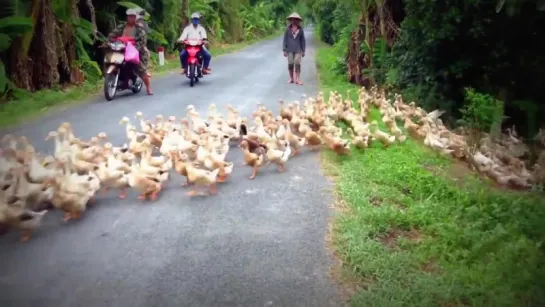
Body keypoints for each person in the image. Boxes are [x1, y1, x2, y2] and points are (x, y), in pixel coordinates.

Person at [108, 8, 153, 95]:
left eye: (133, 17)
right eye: (129, 16)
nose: (131, 18)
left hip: (135, 51)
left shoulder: (139, 28)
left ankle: (148, 87)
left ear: (135, 17)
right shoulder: (122, 26)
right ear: (127, 17)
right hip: (121, 49)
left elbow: (142, 42)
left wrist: (135, 48)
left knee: (141, 68)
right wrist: (109, 41)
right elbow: (112, 35)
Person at [282, 12, 306, 85]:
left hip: (298, 49)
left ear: (298, 21)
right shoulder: (288, 29)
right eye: (293, 19)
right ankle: (291, 78)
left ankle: (298, 79)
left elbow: (303, 40)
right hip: (289, 50)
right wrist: (284, 50)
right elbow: (285, 40)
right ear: (291, 20)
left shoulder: (301, 30)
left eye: (296, 20)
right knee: (290, 63)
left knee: (297, 63)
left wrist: (303, 50)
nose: (294, 21)